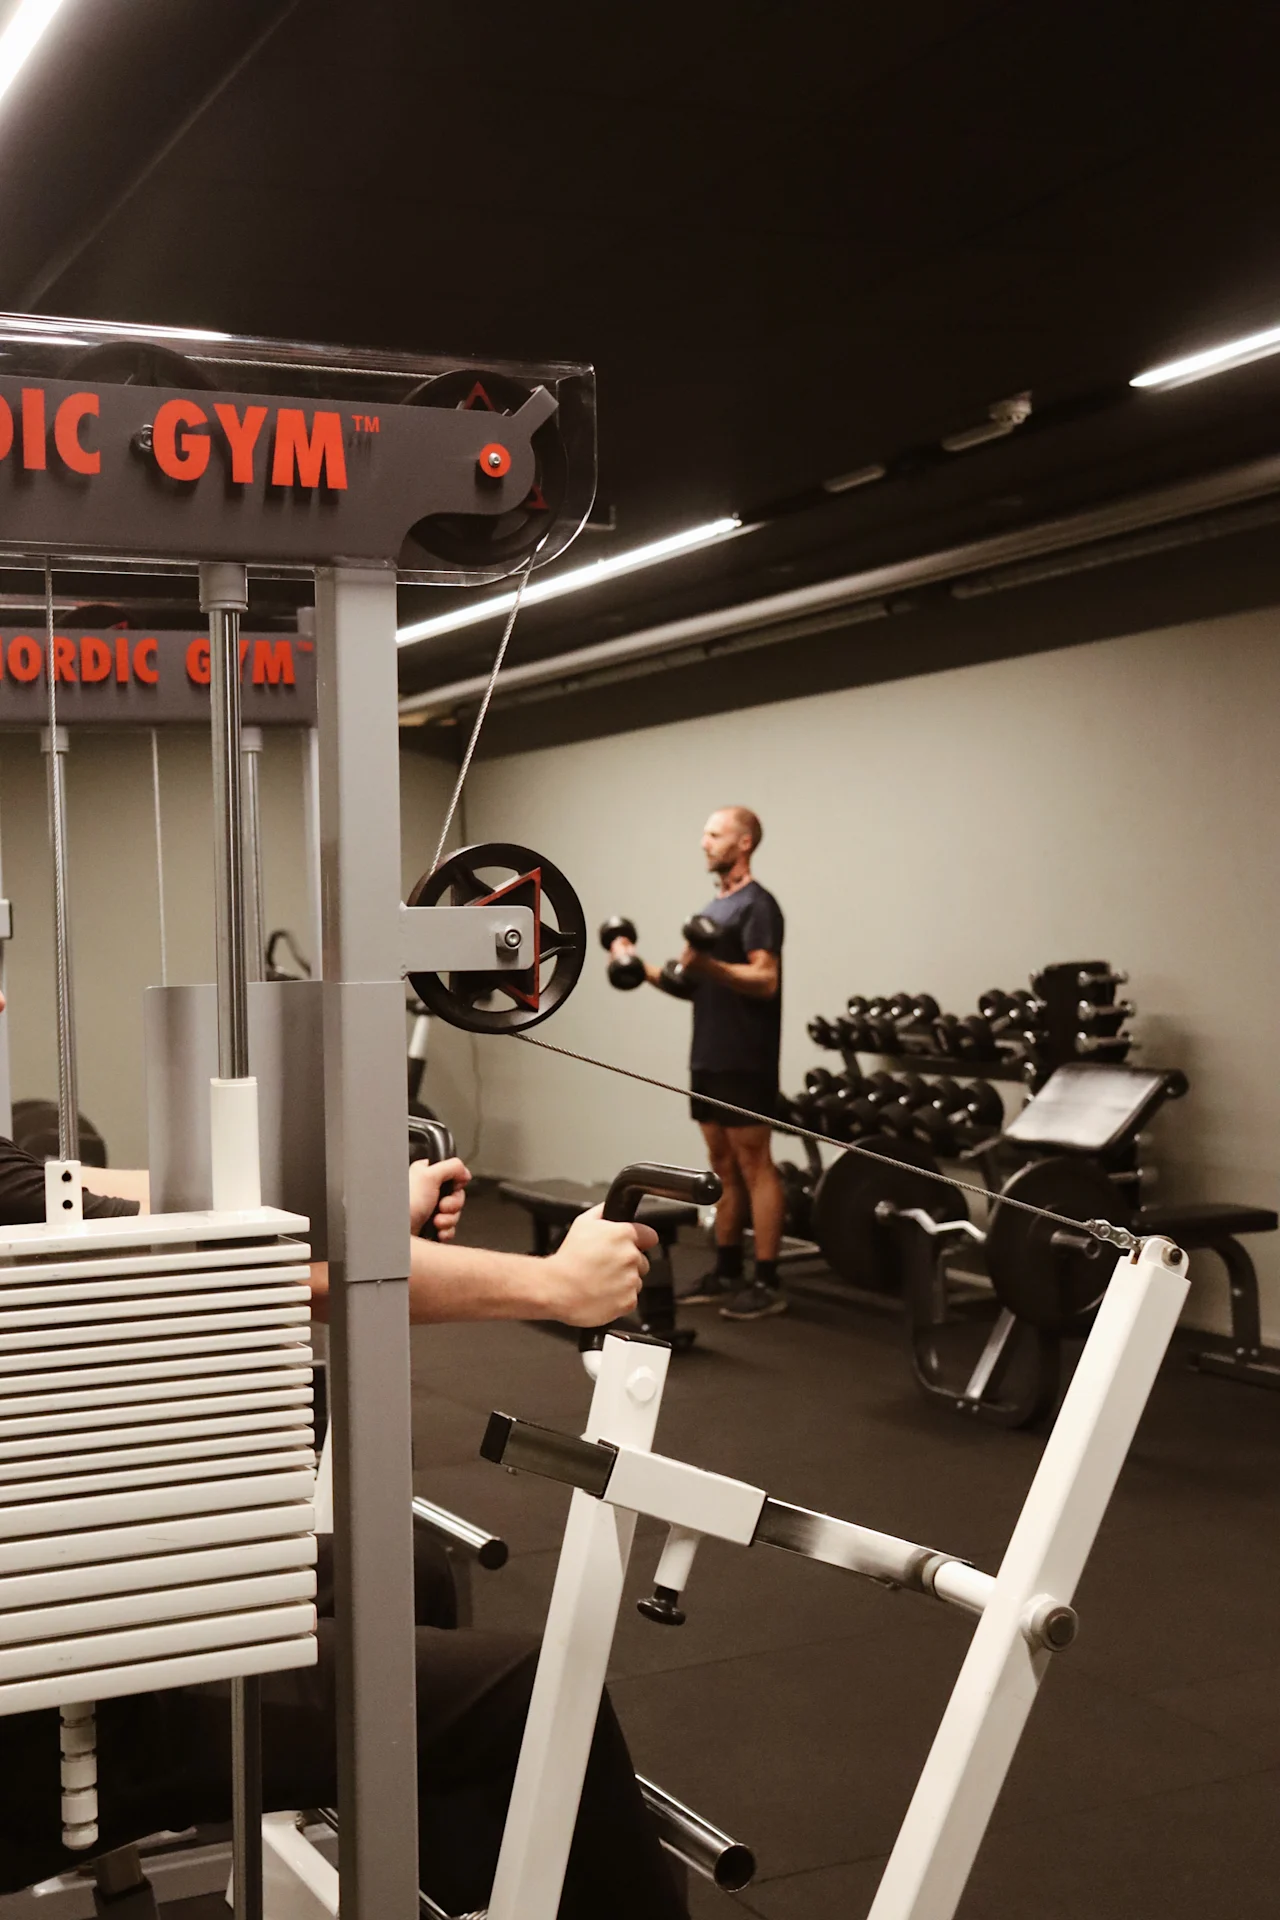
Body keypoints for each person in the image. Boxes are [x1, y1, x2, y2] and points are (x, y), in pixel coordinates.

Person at [0, 1038, 685, 1917]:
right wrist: (554, 1283)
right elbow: (239, 1264)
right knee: (529, 1693)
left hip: (48, 1608)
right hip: (44, 1720)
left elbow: (125, 1196)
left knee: (408, 1570)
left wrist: (353, 1199)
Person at [612, 805, 787, 1320]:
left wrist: (709, 965)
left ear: (744, 842)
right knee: (721, 1163)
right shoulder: (716, 907)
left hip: (746, 1055)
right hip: (708, 1052)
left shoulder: (758, 906)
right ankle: (727, 1269)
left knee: (755, 1163)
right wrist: (631, 960)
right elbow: (689, 983)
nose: (704, 843)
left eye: (714, 834)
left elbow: (765, 979)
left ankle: (768, 1280)